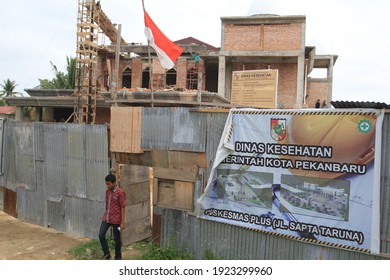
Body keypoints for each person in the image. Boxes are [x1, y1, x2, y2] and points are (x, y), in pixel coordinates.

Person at [98, 174, 126, 260]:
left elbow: (123, 207)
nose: (107, 186)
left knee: (116, 239)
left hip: (116, 220)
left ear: (114, 183)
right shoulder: (107, 191)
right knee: (101, 235)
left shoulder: (120, 192)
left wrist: (122, 222)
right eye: (106, 184)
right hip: (107, 218)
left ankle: (118, 257)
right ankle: (107, 254)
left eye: (109, 184)